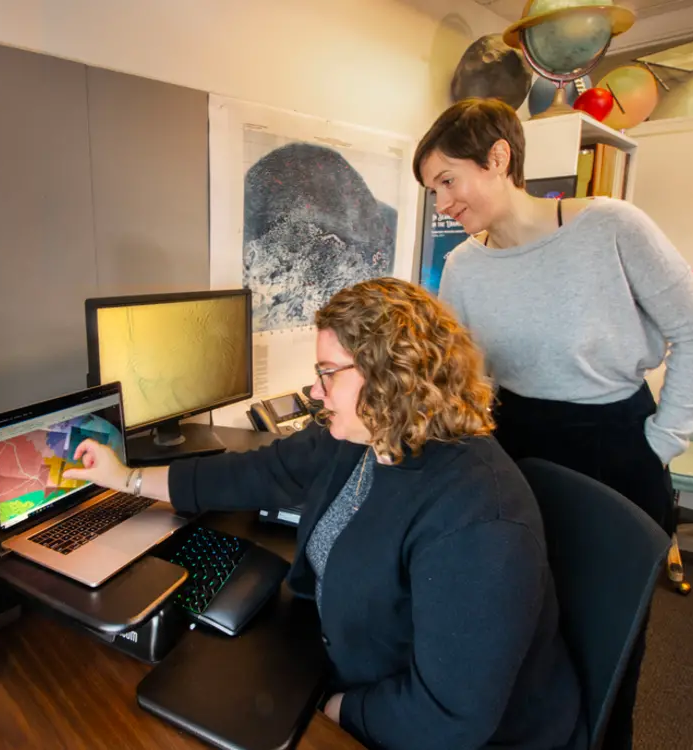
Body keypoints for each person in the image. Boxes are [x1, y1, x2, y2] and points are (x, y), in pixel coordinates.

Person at [64, 278, 585, 750]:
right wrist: (126, 479)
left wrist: (334, 709)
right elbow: (257, 473)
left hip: (454, 733)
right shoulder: (366, 434)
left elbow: (447, 719)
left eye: (327, 374)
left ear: (390, 377)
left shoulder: (479, 520)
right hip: (361, 673)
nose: (315, 392)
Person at [413, 98, 693, 749]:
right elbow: (463, 374)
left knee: (607, 639)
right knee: (522, 628)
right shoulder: (465, 265)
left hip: (613, 446)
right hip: (513, 446)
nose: (441, 202)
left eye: (447, 180)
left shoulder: (610, 226)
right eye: (432, 190)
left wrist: (662, 442)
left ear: (498, 158)